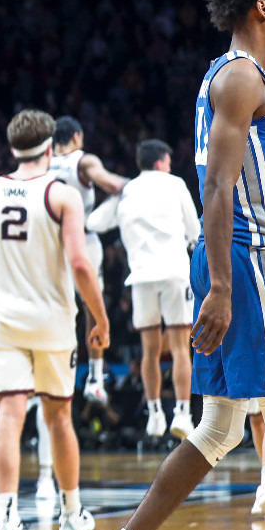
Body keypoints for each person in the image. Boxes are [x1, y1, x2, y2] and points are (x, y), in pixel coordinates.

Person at [106, 0, 265, 530]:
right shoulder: (243, 75)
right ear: (261, 7)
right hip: (245, 262)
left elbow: (247, 194)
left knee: (220, 425)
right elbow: (218, 187)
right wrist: (223, 286)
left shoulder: (221, 74)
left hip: (245, 253)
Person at [0, 109, 110, 530]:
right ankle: (72, 514)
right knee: (59, 417)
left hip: (2, 323)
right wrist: (100, 315)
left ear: (12, 147)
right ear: (50, 146)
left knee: (9, 413)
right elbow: (80, 263)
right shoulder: (62, 195)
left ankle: (6, 523)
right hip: (53, 323)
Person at [87, 138, 201, 440]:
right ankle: (182, 413)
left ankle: (153, 414)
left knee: (148, 351)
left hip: (141, 278)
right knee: (179, 349)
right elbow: (194, 231)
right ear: (161, 162)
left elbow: (94, 223)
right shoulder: (175, 184)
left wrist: (116, 195)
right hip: (175, 272)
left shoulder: (128, 190)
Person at [51, 115, 128, 404]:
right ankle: (95, 378)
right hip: (82, 238)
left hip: (50, 240)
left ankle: (55, 373)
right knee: (91, 305)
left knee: (57, 305)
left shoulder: (41, 161)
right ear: (76, 137)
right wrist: (135, 185)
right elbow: (112, 184)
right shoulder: (82, 161)